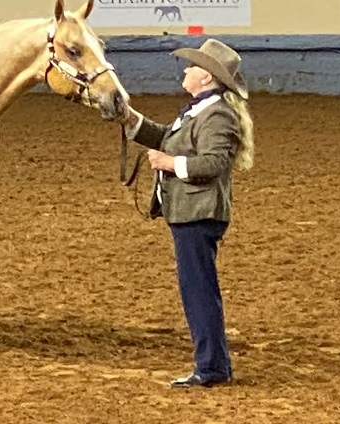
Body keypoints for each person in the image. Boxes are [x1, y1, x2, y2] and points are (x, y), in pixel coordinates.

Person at [119, 39, 255, 388]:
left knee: (198, 292)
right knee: (198, 289)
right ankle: (213, 365)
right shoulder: (202, 110)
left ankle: (211, 368)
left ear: (207, 77)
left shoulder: (217, 115)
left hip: (198, 213)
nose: (185, 70)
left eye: (192, 67)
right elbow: (168, 137)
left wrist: (169, 163)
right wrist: (132, 121)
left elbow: (213, 163)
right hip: (189, 211)